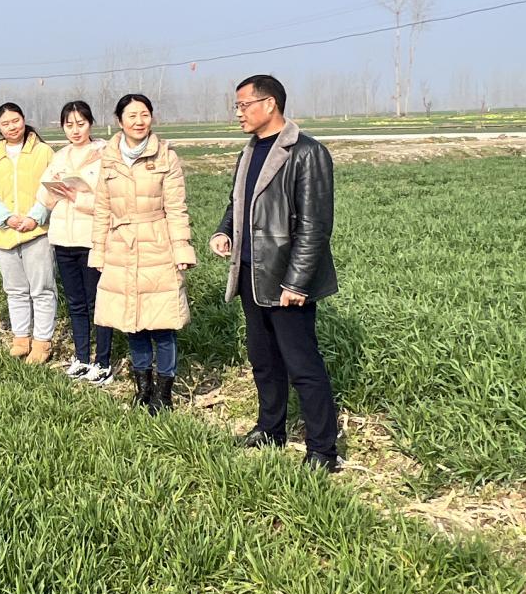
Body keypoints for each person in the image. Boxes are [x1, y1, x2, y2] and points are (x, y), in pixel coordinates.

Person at [209, 74, 341, 473]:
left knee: (302, 365)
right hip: (252, 274)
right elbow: (238, 203)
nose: (238, 113)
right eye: (236, 106)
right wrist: (224, 231)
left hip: (285, 280)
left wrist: (297, 282)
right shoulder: (249, 151)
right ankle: (271, 429)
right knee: (263, 360)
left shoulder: (306, 153)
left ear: (270, 104)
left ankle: (322, 450)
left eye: (244, 105)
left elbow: (315, 226)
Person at [89, 93, 196, 413]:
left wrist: (182, 248)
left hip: (157, 245)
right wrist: (98, 251)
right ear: (119, 121)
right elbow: (102, 208)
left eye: (145, 115)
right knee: (131, 323)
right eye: (132, 116)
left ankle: (164, 393)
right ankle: (142, 388)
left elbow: (176, 208)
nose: (139, 121)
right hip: (120, 247)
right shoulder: (108, 158)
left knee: (162, 323)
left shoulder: (166, 157)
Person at [38, 101, 111, 383]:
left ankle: (103, 362)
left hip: (92, 239)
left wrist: (77, 198)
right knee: (75, 302)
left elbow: (109, 201)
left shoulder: (104, 155)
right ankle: (81, 357)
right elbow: (43, 199)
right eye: (69, 125)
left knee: (97, 303)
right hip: (63, 240)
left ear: (90, 123)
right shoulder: (59, 157)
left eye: (81, 124)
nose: (75, 130)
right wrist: (55, 186)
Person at [0, 102, 57, 364]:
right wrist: (6, 218)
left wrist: (35, 217)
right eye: (5, 123)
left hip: (37, 233)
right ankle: (21, 338)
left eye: (15, 120)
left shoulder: (44, 152)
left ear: (24, 119)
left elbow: (53, 186)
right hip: (5, 234)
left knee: (42, 289)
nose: (12, 127)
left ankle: (42, 341)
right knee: (15, 290)